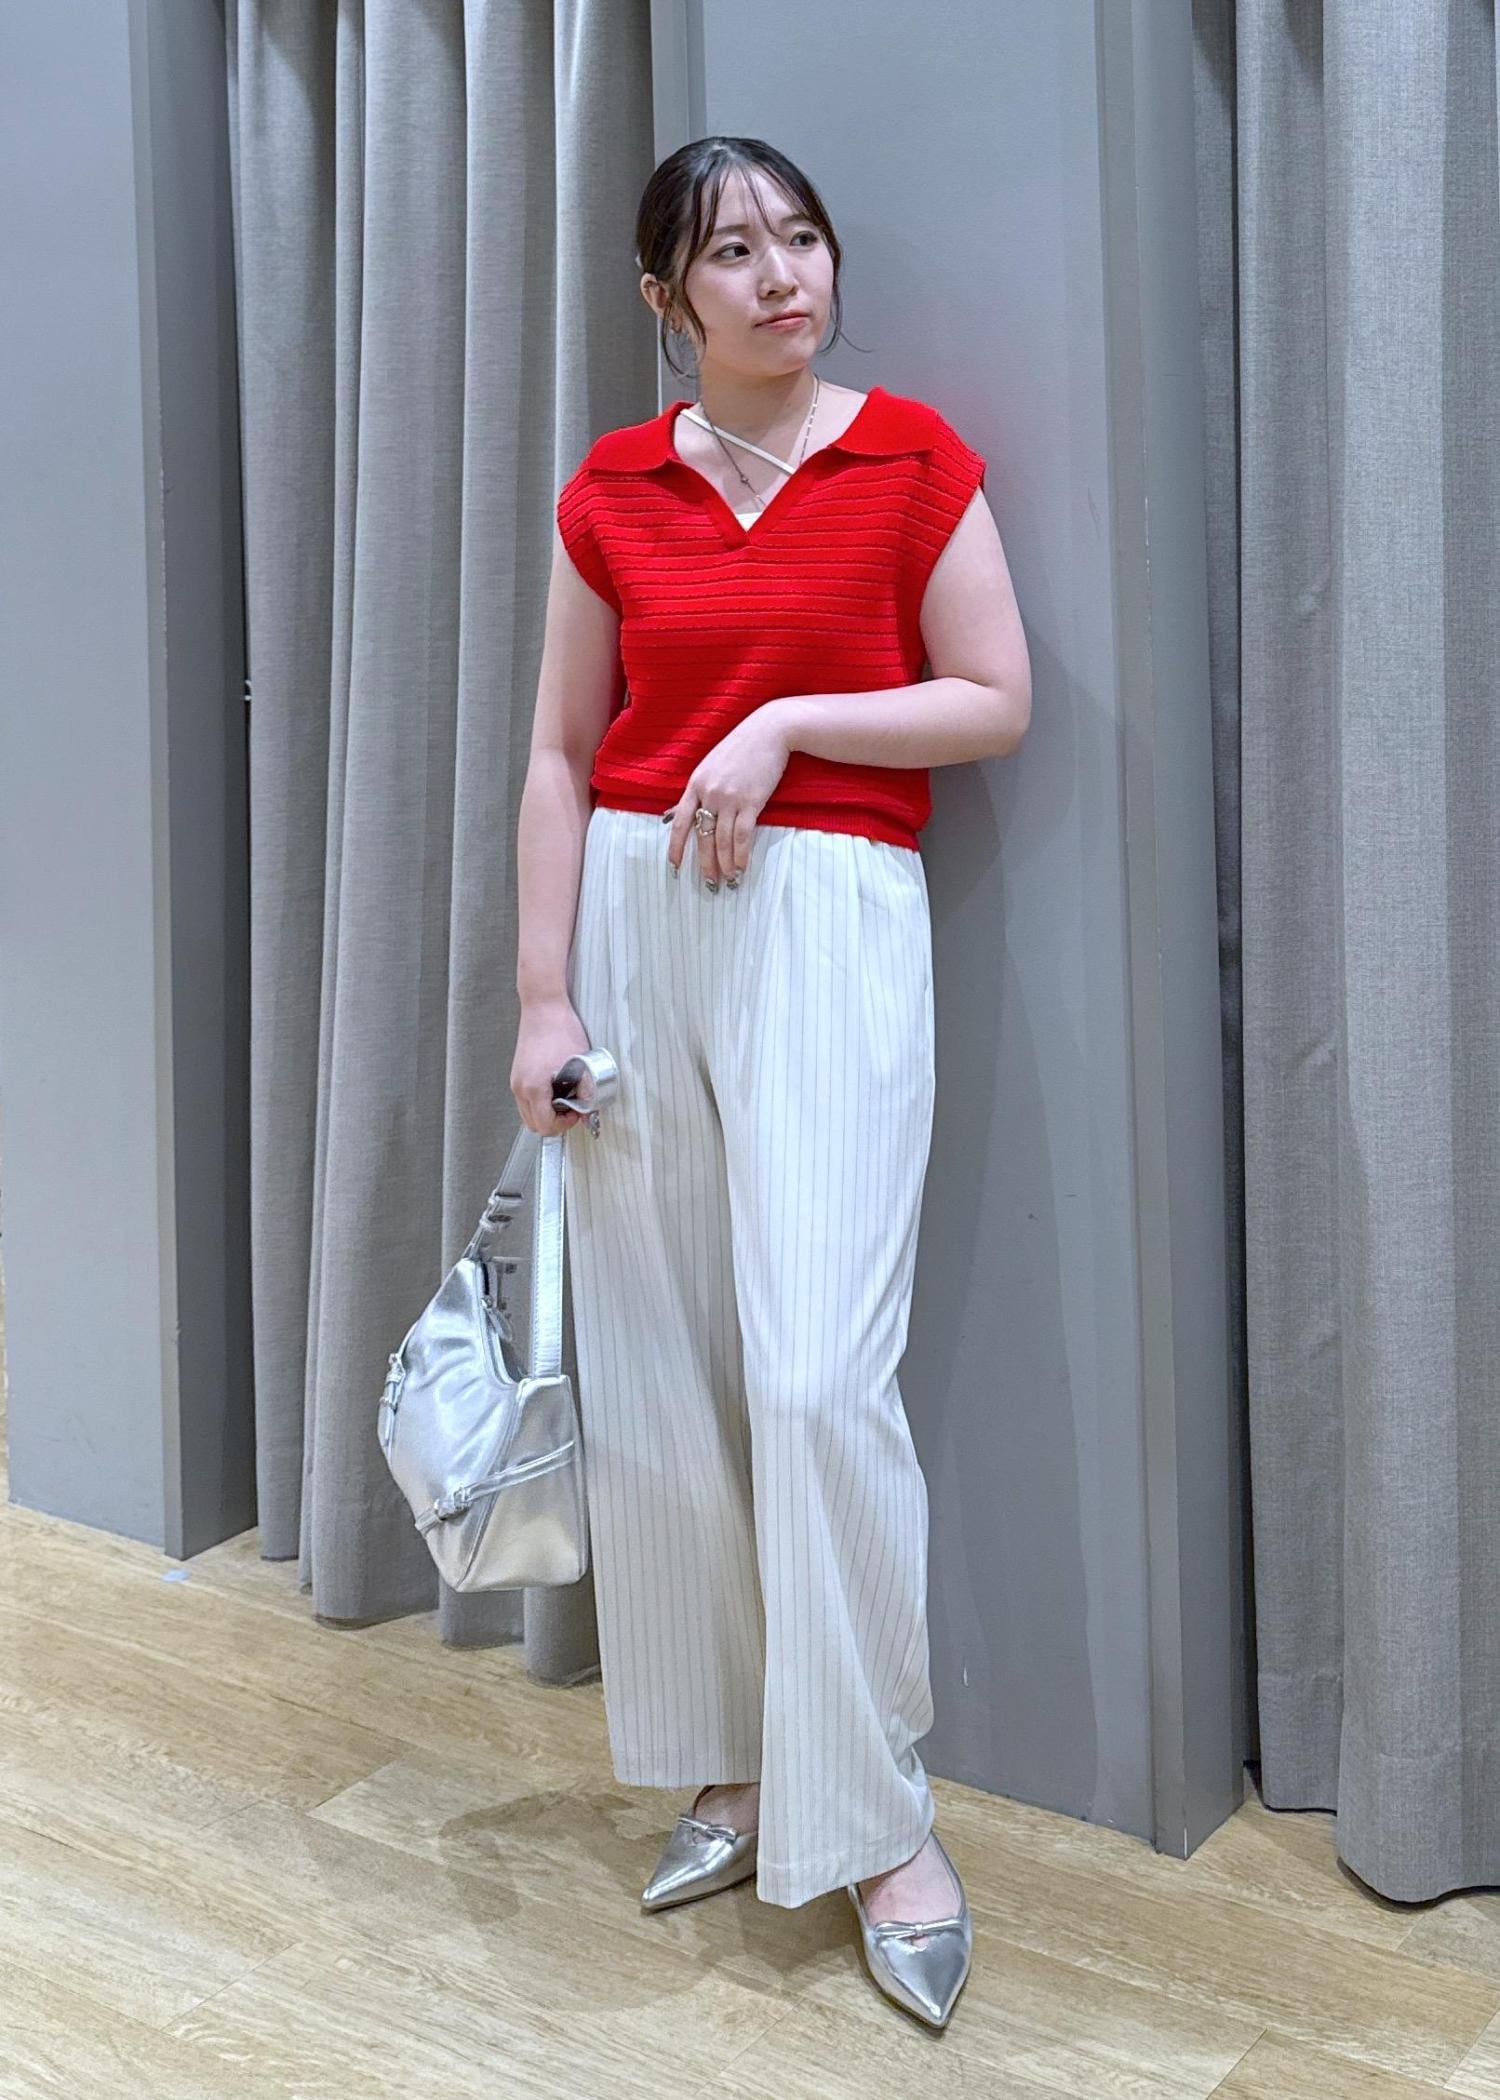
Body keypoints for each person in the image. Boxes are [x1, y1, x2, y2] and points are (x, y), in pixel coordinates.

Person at [510, 135, 1030, 2029]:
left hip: (827, 914)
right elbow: (560, 753)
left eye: (801, 238)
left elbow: (993, 697)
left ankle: (878, 1813)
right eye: (732, 253)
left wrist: (790, 719)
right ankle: (730, 1761)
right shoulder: (613, 490)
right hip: (639, 914)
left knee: (817, 1378)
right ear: (668, 296)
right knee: (667, 1369)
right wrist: (541, 1000)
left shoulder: (911, 461)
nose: (782, 276)